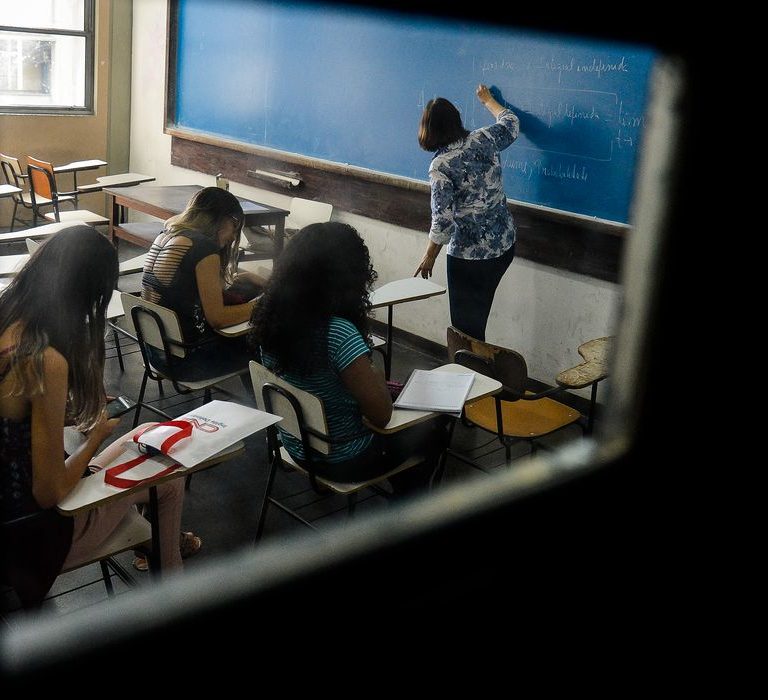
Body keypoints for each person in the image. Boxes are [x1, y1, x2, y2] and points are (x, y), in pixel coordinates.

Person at [0, 226, 196, 607]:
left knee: (147, 433)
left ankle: (157, 551)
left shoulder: (7, 325)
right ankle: (175, 589)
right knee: (169, 476)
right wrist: (93, 437)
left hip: (8, 520)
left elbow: (11, 425)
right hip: (34, 538)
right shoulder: (44, 360)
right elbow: (49, 493)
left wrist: (61, 414)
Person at [249, 222, 447, 491]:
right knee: (435, 429)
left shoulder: (271, 317)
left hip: (298, 445)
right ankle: (406, 510)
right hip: (346, 458)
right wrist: (374, 372)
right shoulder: (337, 332)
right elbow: (382, 415)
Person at [415, 84, 520, 341]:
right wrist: (488, 100)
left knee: (465, 333)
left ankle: (475, 377)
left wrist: (429, 256)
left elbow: (442, 221)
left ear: (429, 130)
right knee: (476, 325)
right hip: (504, 246)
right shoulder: (485, 138)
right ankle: (481, 372)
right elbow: (511, 122)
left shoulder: (440, 166)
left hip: (470, 258)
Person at [141, 186, 267, 382]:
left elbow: (185, 286)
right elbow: (218, 319)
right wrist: (261, 305)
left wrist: (243, 277)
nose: (234, 237)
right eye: (235, 227)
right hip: (188, 361)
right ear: (224, 219)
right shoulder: (203, 248)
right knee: (260, 340)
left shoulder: (168, 234)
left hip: (158, 352)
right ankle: (263, 408)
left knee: (246, 295)